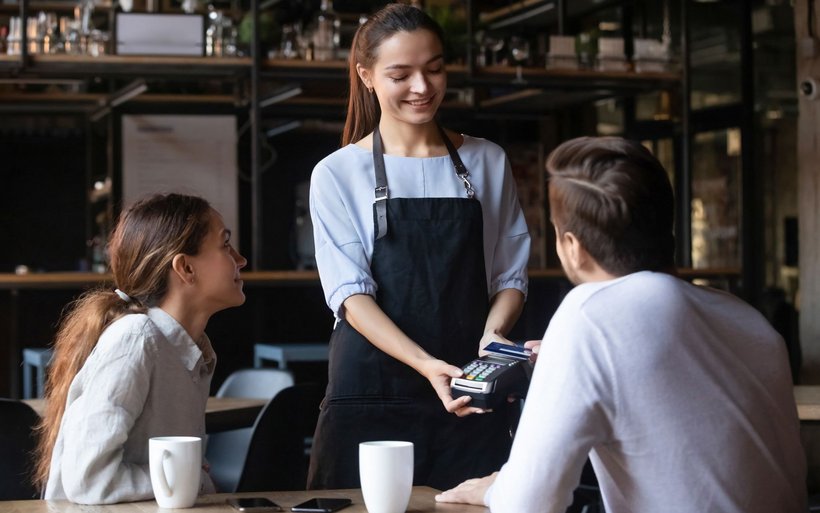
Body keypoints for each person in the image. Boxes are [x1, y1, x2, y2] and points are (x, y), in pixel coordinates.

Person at [435, 136, 807, 512]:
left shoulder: (588, 313)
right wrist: (564, 359)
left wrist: (496, 488)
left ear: (572, 247)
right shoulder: (747, 318)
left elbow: (529, 503)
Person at [307, 3, 530, 491]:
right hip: (372, 394)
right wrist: (425, 364)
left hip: (469, 392)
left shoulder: (486, 160)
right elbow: (350, 296)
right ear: (366, 76)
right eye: (400, 74)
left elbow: (510, 275)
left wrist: (493, 338)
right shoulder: (337, 173)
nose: (422, 88)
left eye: (434, 69)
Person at [33, 193, 247, 504]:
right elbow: (88, 479)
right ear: (186, 268)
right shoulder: (136, 339)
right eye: (225, 244)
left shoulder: (191, 350)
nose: (240, 259)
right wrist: (190, 478)